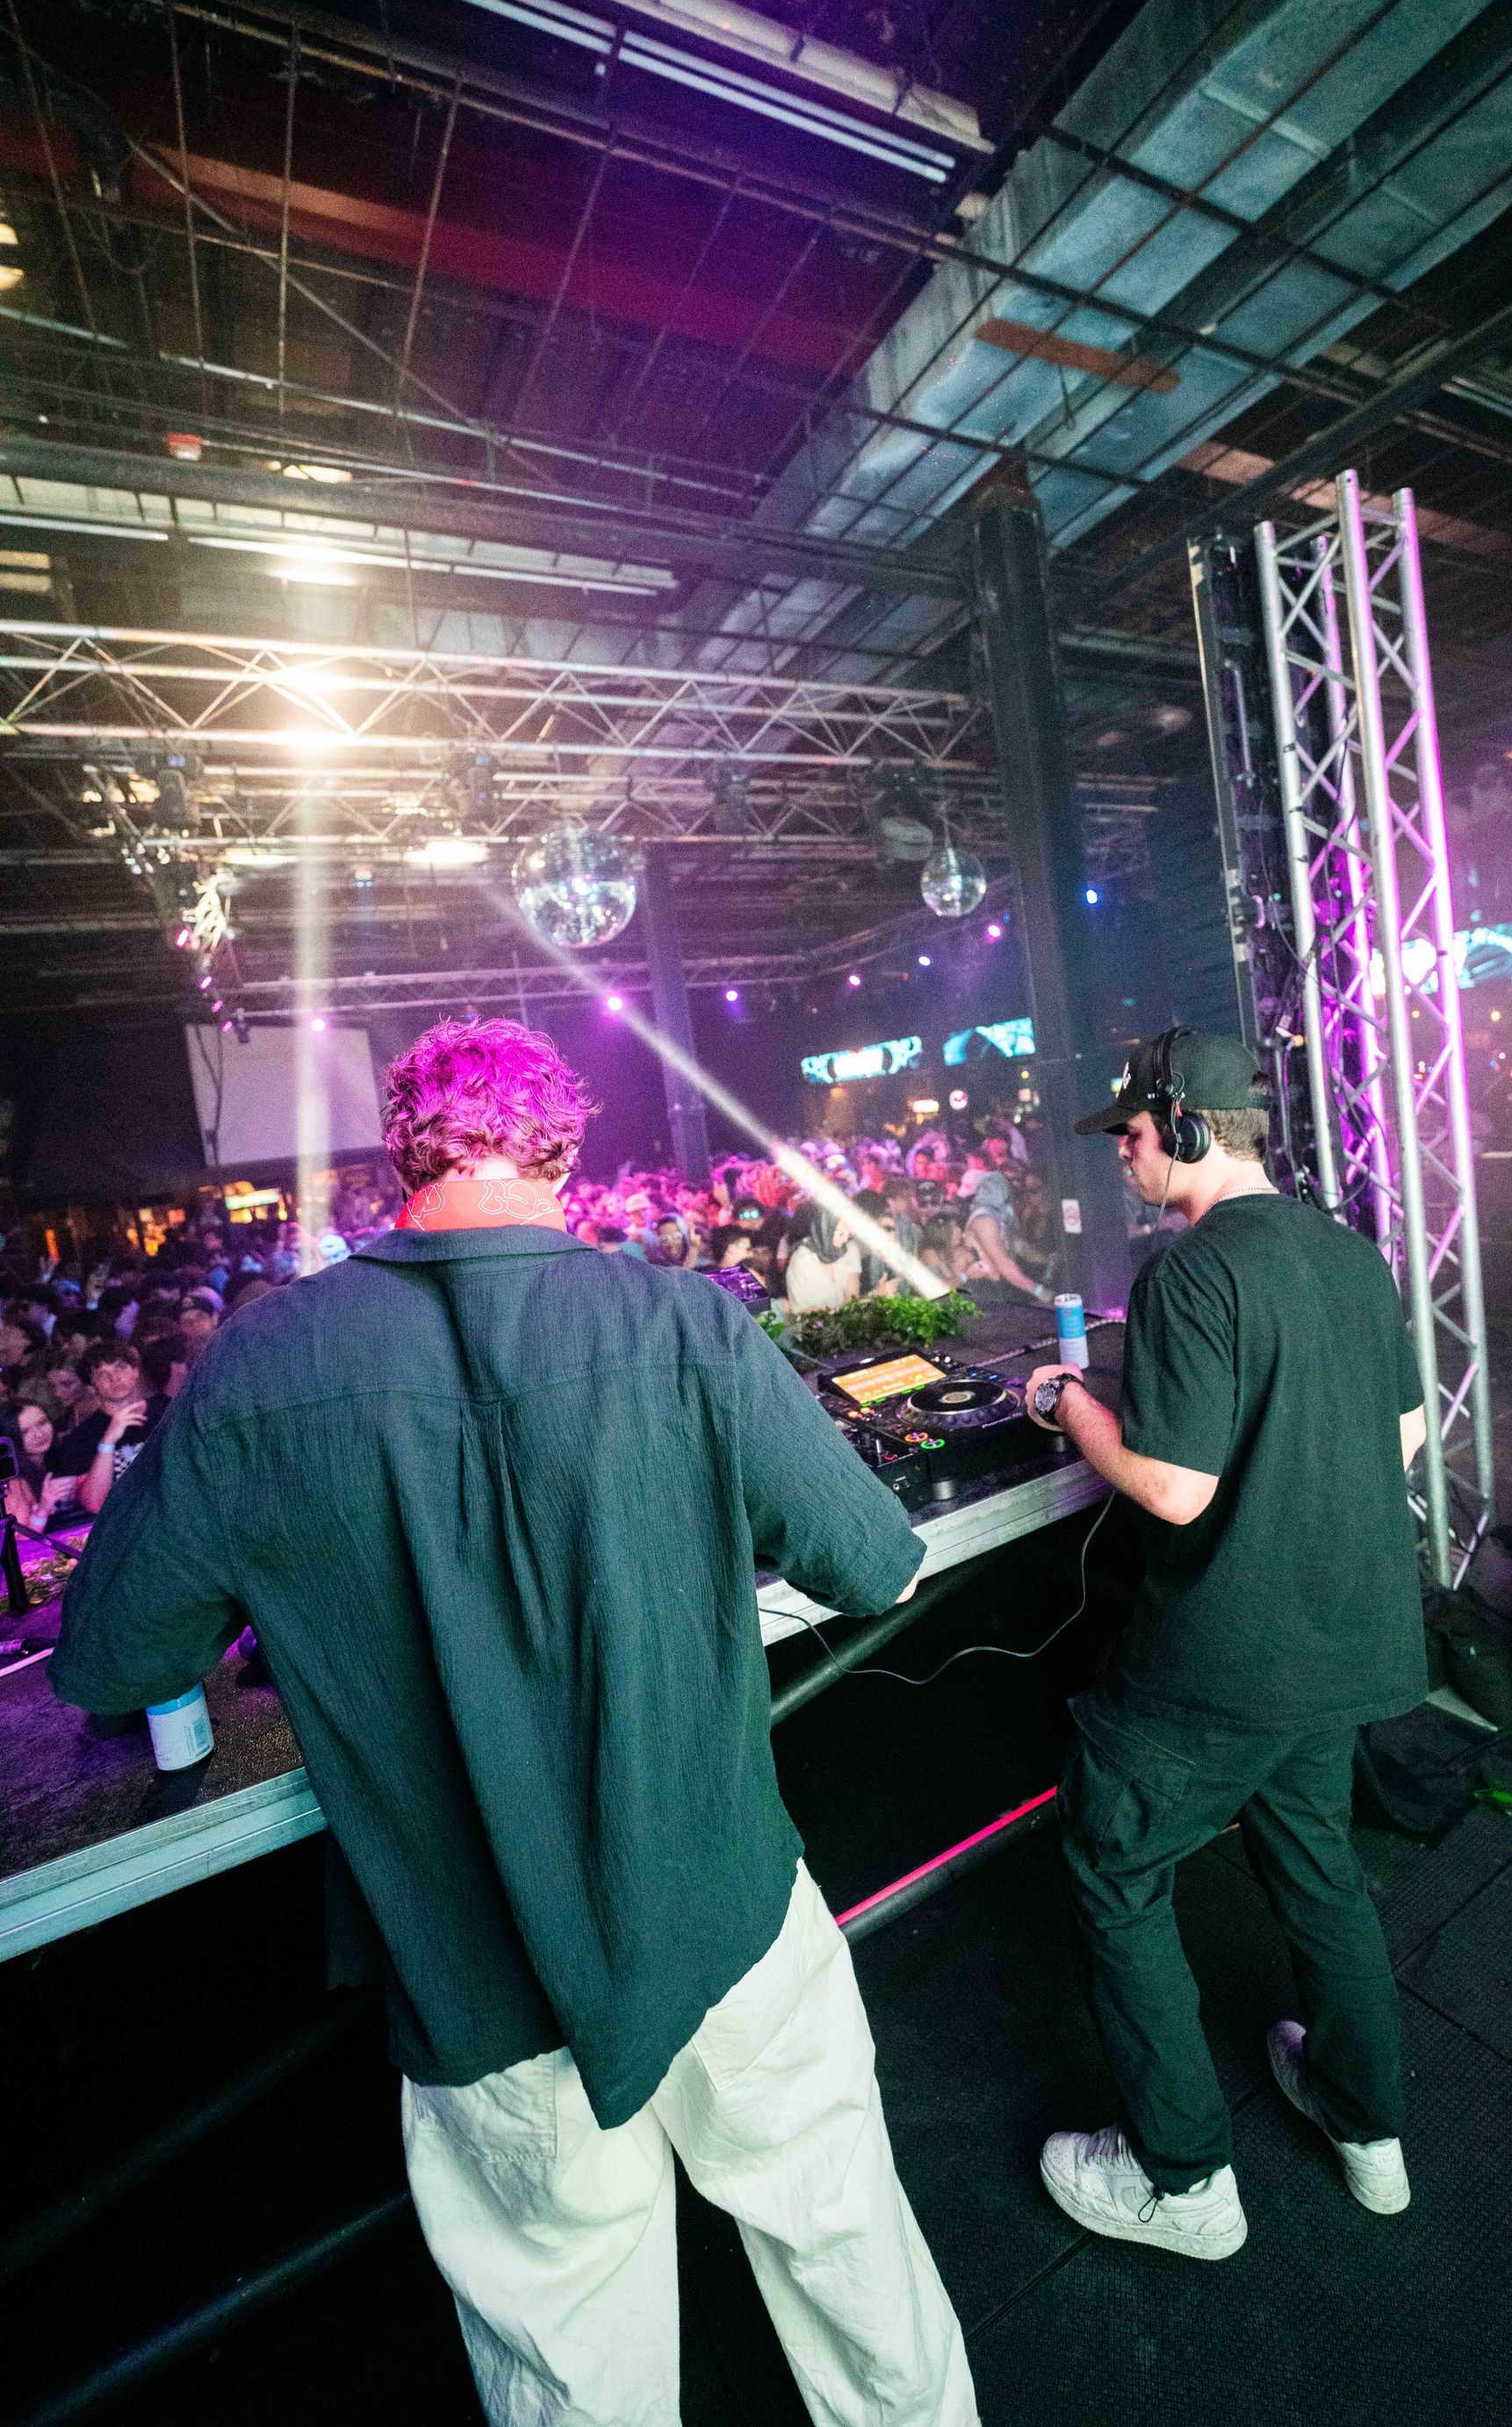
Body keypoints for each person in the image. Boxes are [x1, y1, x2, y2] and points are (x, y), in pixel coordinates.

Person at [50, 1017, 976, 2427]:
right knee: (842, 2235)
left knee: (571, 2358)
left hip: (477, 1971)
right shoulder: (681, 1322)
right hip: (723, 1911)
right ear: (561, 1145)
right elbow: (874, 1560)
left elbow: (116, 1653)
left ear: (402, 1152)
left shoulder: (255, 1367)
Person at [1023, 1026, 1428, 2261]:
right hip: (1339, 1647)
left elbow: (1178, 1490)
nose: (1125, 1157)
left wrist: (1068, 1402)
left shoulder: (1190, 1273)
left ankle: (1182, 2179)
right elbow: (1403, 1434)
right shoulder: (1352, 1253)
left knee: (1113, 1866)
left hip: (1218, 1667)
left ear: (1190, 1126)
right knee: (1319, 1870)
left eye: (1134, 1134)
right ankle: (1371, 2133)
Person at [49, 1340, 169, 1516]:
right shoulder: (79, 1440)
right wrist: (108, 1441)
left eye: (120, 1368)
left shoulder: (169, 1412)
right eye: (102, 1374)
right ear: (91, 1385)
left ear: (135, 1371)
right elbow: (95, 1504)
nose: (114, 1378)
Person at [964, 1166, 1051, 1304]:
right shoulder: (984, 1220)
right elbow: (1004, 1265)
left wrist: (1050, 1259)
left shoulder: (1000, 1216)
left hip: (1001, 1287)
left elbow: (1022, 1248)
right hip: (985, 1292)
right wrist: (1041, 1292)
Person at [4, 1402, 80, 1530]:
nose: (39, 1435)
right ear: (10, 1438)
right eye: (25, 1431)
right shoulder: (13, 1483)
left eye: (42, 1423)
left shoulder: (58, 1458)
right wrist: (43, 1509)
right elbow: (20, 1543)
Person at [782, 1198, 863, 1311]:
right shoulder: (801, 1261)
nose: (845, 1239)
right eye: (839, 1233)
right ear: (824, 1229)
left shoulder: (850, 1250)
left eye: (848, 1234)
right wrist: (839, 1313)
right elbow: (803, 1311)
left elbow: (852, 1296)